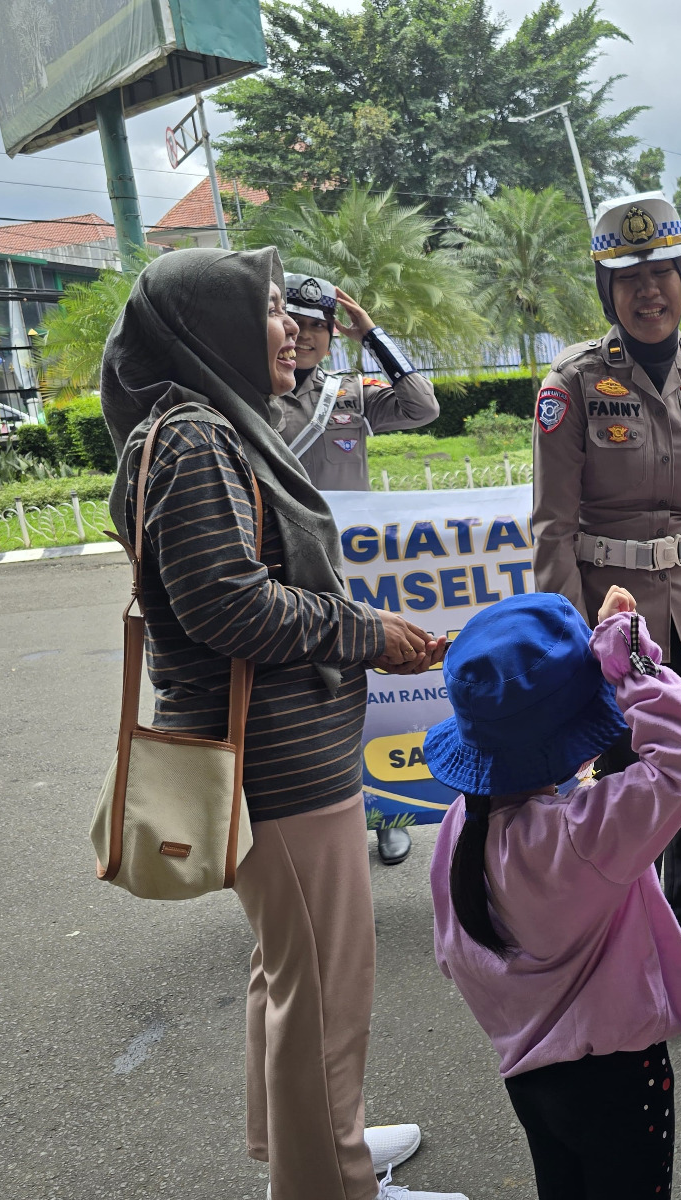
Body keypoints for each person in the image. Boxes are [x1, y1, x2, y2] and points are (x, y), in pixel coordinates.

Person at [98, 247, 456, 1200]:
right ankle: (332, 1182)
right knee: (326, 986)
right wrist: (366, 630)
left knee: (289, 971)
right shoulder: (195, 438)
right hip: (281, 765)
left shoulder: (199, 428)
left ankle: (305, 1146)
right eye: (266, 309)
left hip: (274, 752)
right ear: (208, 329)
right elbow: (226, 605)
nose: (290, 326)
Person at [532, 191, 681, 1045]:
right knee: (614, 809)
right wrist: (576, 645)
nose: (650, 291)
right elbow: (552, 534)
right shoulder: (570, 387)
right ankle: (612, 970)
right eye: (630, 277)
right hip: (613, 637)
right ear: (608, 289)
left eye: (663, 273)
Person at [427, 588, 681, 1199]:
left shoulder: (461, 825)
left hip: (528, 1074)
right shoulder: (583, 835)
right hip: (617, 1080)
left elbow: (451, 953)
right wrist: (628, 656)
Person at [276, 272, 441, 866]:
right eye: (300, 323)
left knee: (373, 695)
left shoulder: (346, 394)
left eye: (322, 326)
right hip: (287, 574)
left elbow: (423, 407)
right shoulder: (250, 396)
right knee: (305, 703)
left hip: (356, 574)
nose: (311, 335)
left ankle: (387, 816)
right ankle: (316, 825)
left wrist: (372, 334)